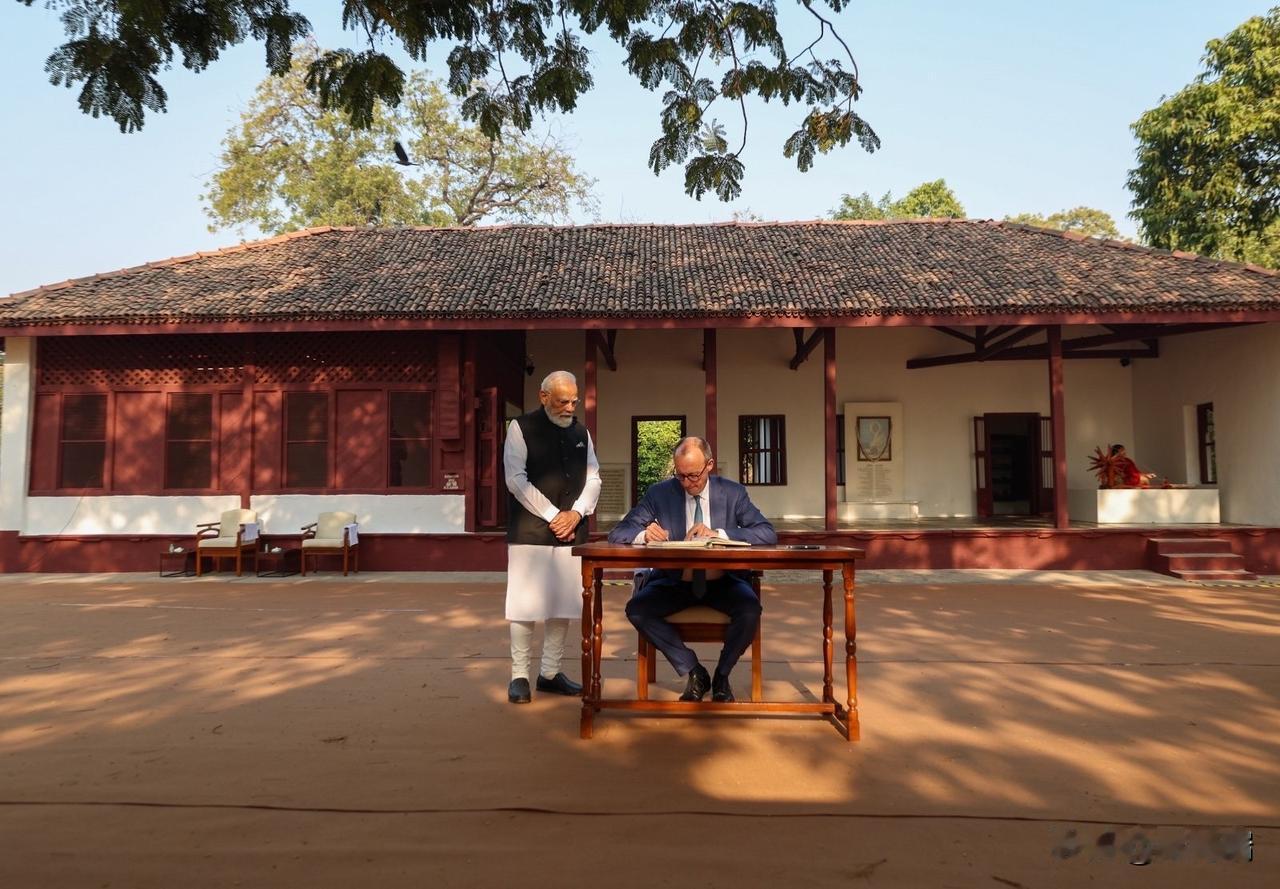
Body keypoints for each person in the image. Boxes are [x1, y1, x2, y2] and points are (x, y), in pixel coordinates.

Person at [607, 437, 777, 703]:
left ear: (709, 465)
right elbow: (619, 533)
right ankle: (694, 671)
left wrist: (719, 534)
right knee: (637, 610)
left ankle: (722, 675)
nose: (687, 483)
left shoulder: (733, 493)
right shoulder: (660, 494)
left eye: (694, 475)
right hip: (676, 581)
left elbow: (766, 533)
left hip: (723, 581)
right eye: (681, 475)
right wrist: (644, 535)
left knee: (750, 610)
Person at [503, 370, 601, 704]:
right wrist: (553, 515)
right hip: (530, 531)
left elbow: (594, 478)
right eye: (562, 401)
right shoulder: (520, 428)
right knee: (524, 605)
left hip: (571, 530)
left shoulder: (581, 432)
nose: (569, 407)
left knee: (563, 604)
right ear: (543, 397)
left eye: (574, 401)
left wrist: (576, 513)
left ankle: (549, 673)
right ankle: (519, 675)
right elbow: (515, 479)